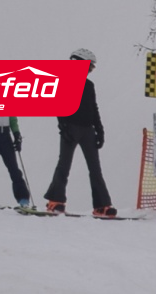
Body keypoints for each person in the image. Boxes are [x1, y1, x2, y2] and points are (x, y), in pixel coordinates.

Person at [43, 48, 113, 217]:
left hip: (88, 130)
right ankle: (55, 201)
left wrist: (100, 131)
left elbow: (93, 108)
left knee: (95, 168)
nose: (91, 70)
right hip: (71, 128)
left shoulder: (89, 85)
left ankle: (101, 204)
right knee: (64, 165)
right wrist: (63, 127)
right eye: (90, 66)